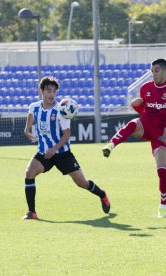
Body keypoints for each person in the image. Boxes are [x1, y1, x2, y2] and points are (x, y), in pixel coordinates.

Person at [102, 58, 166, 218]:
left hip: (162, 134)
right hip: (147, 126)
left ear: (165, 71)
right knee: (133, 124)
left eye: (156, 70)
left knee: (162, 170)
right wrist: (136, 105)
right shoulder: (145, 88)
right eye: (152, 70)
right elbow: (145, 111)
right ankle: (110, 145)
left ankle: (163, 207)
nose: (153, 74)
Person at [22, 76, 110, 220]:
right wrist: (27, 131)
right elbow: (30, 117)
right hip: (44, 153)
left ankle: (102, 194)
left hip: (62, 153)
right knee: (29, 173)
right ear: (41, 91)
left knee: (82, 183)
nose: (52, 94)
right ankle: (32, 212)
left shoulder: (62, 110)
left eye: (54, 92)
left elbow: (67, 135)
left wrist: (54, 148)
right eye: (49, 91)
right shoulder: (34, 107)